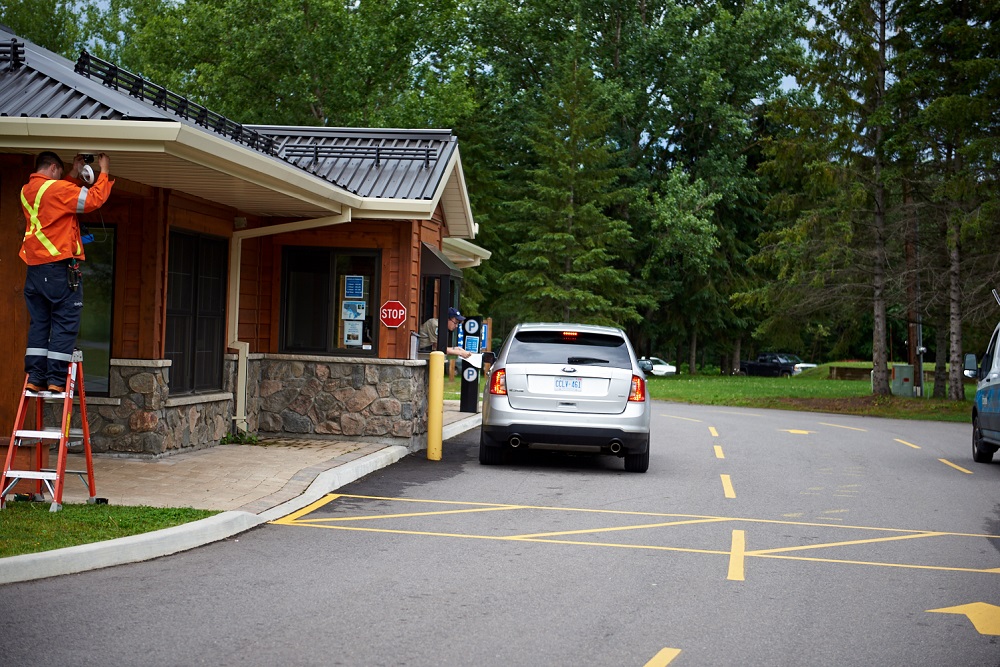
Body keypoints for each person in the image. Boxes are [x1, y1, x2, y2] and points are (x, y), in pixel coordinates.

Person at [19, 151, 114, 393]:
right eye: (59, 173)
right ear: (52, 168)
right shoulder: (55, 190)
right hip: (59, 268)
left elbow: (58, 199)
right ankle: (56, 381)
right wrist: (104, 171)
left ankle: (35, 377)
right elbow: (92, 200)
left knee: (40, 323)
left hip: (35, 269)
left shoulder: (28, 191)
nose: (61, 177)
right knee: (64, 321)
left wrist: (72, 173)